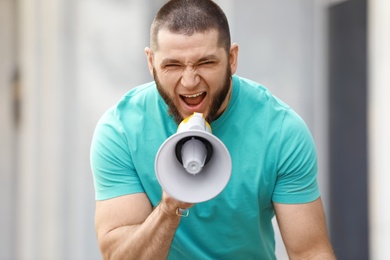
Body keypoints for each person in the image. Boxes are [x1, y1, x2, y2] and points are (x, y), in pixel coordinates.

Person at [90, 0, 335, 259]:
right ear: (151, 63)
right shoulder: (121, 131)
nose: (189, 81)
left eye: (205, 62)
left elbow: (310, 252)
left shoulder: (281, 131)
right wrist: (169, 208)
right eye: (172, 65)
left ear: (231, 59)